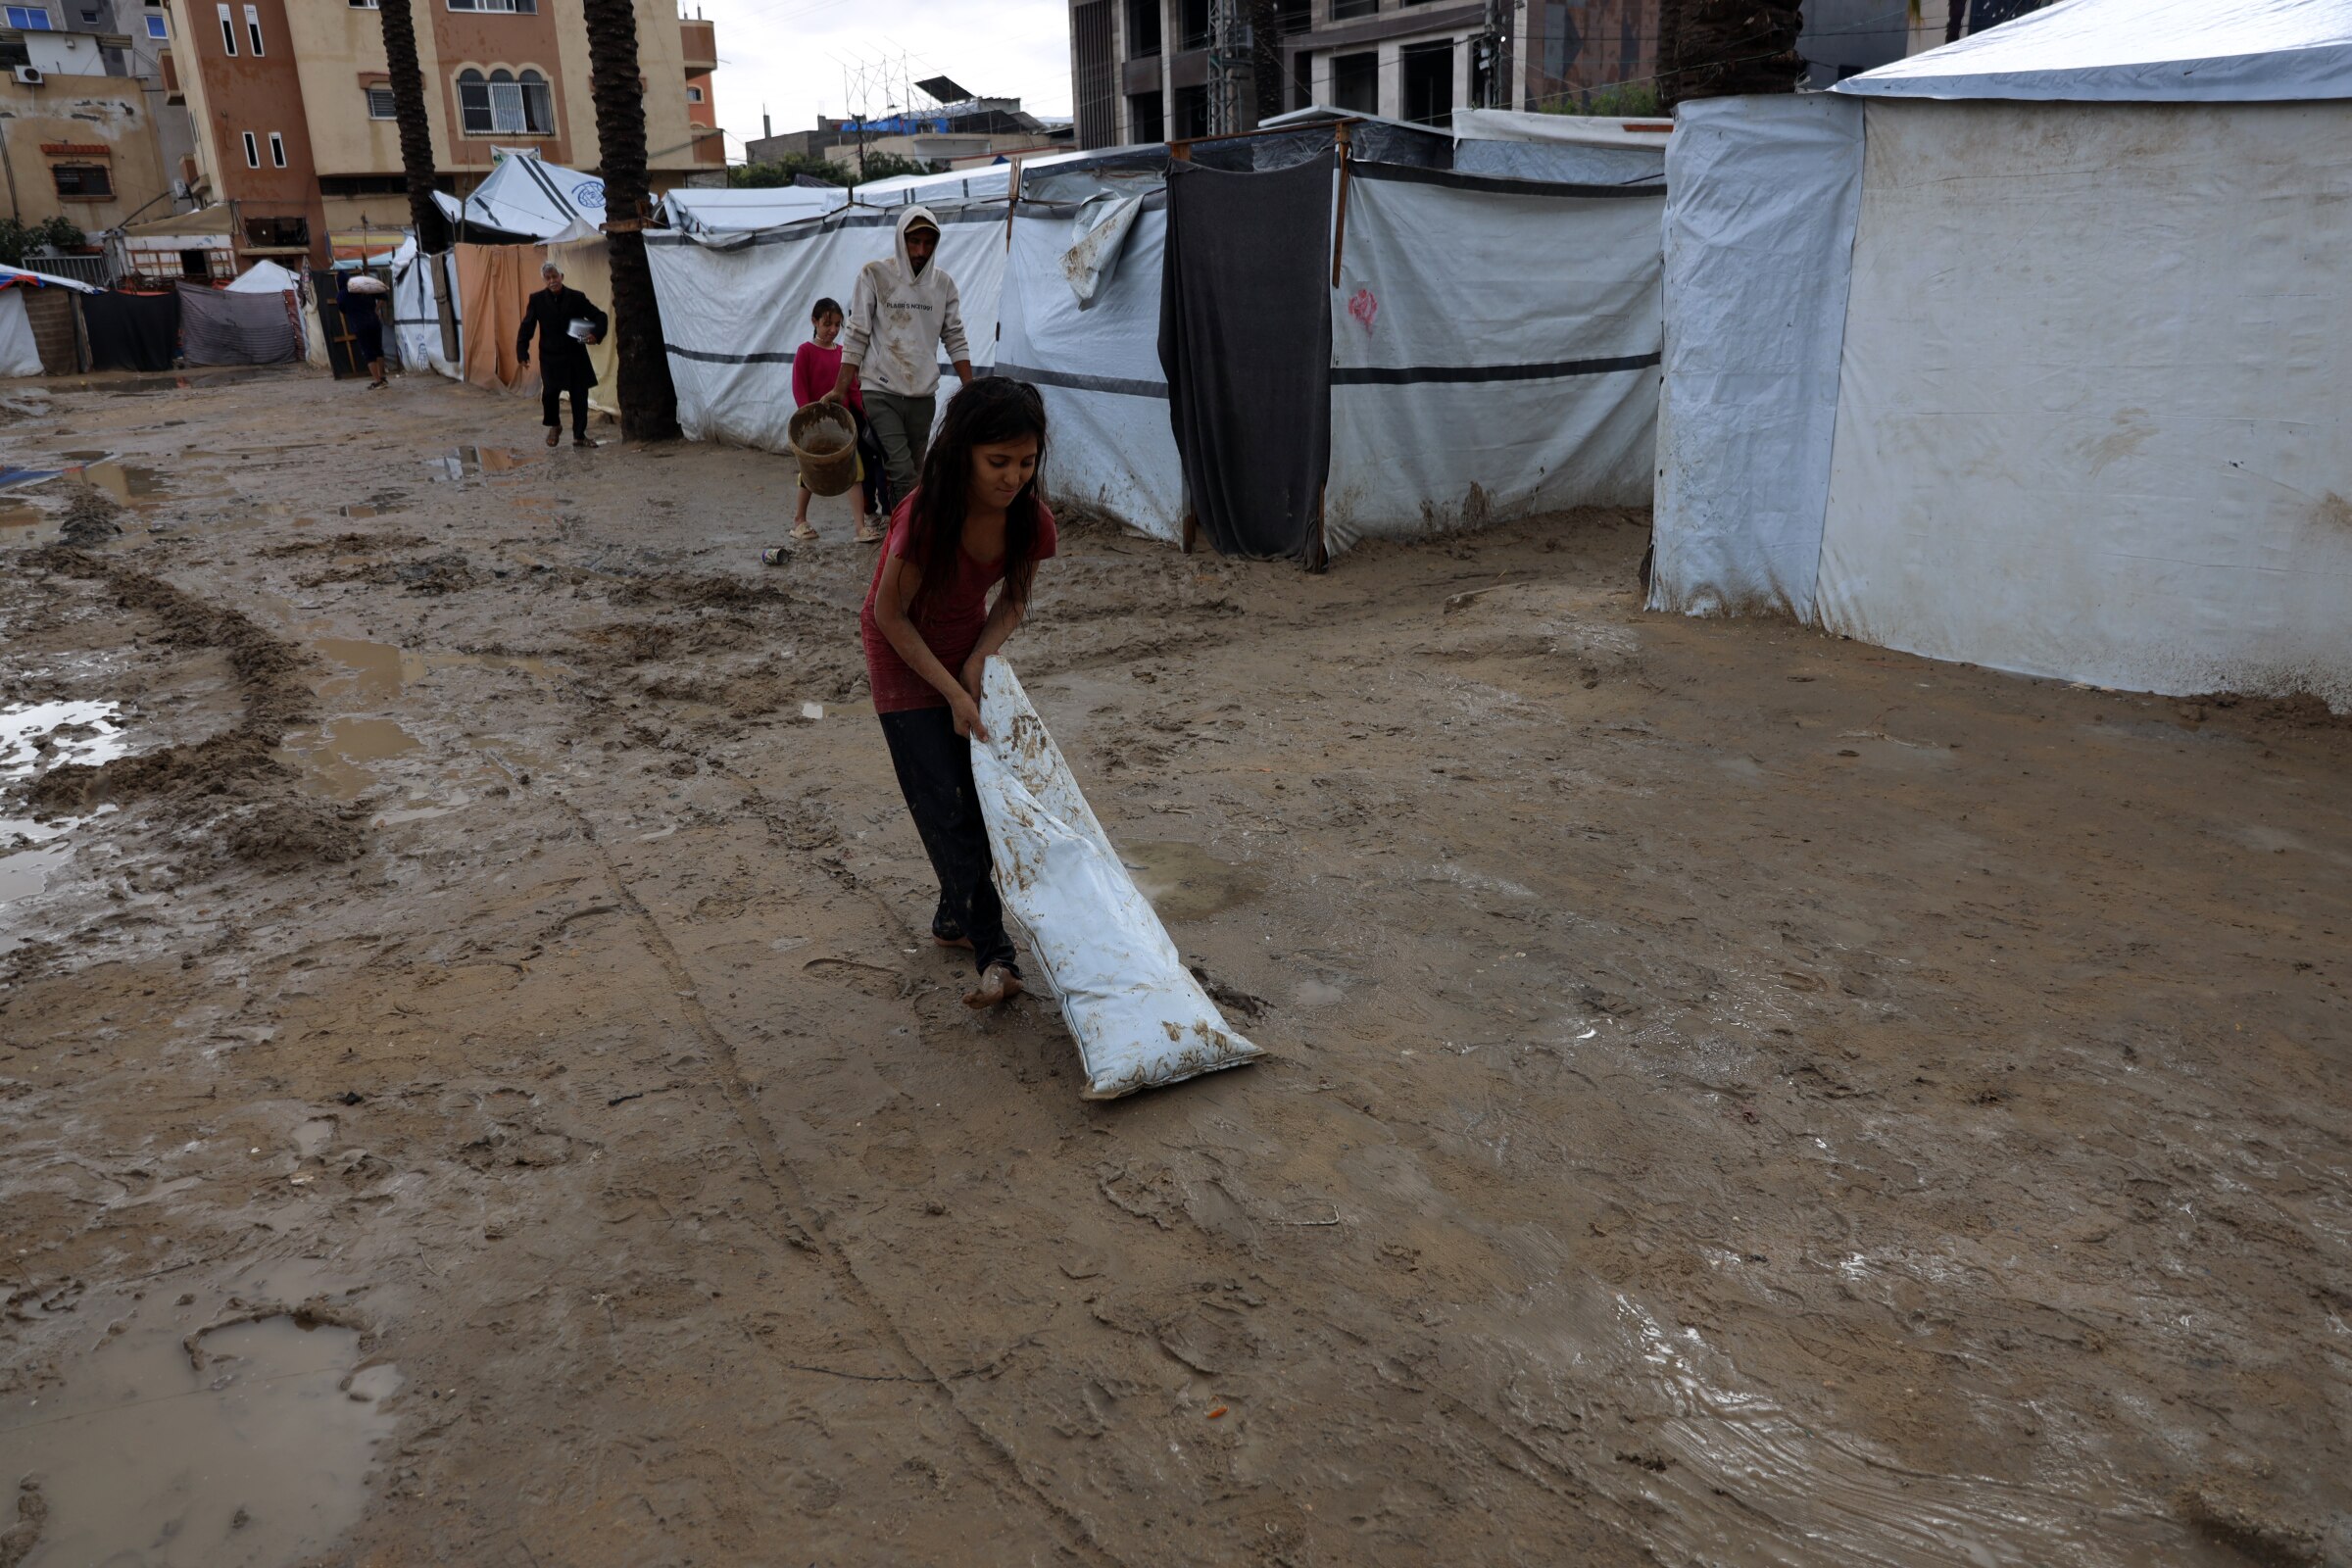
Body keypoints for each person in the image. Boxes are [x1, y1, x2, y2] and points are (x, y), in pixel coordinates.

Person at [859, 378, 1055, 1009]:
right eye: (997, 463)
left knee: (979, 798)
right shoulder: (925, 516)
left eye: (1026, 463)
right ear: (963, 450)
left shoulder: (1028, 517)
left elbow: (1016, 599)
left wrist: (977, 660)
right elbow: (890, 615)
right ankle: (996, 958)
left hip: (962, 647)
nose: (1013, 479)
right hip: (901, 653)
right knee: (946, 803)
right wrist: (951, 692)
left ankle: (954, 918)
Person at [827, 205, 971, 508]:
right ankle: (909, 537)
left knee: (917, 469)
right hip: (880, 389)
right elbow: (857, 332)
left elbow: (954, 336)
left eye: (928, 242)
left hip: (922, 394)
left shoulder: (943, 285)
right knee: (902, 469)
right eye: (914, 241)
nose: (921, 250)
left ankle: (901, 529)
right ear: (901, 240)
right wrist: (841, 388)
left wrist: (972, 389)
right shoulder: (874, 275)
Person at [786, 296, 882, 546]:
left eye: (838, 324)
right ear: (814, 321)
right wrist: (809, 420)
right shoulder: (805, 352)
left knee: (854, 472)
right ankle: (799, 520)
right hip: (814, 427)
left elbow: (852, 389)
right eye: (828, 324)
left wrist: (864, 411)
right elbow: (800, 389)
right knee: (809, 473)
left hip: (843, 426)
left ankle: (860, 527)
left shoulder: (843, 354)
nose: (833, 330)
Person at [516, 261, 608, 449]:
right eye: (548, 278)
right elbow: (527, 326)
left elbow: (599, 316)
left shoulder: (576, 298)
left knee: (579, 395)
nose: (552, 281)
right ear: (544, 280)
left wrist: (596, 334)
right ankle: (554, 425)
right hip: (550, 356)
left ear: (562, 277)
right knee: (549, 394)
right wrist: (522, 350)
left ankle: (579, 436)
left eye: (555, 277)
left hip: (575, 354)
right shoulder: (537, 300)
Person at [336, 270, 387, 389]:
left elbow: (343, 310)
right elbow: (384, 296)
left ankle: (377, 381)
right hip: (374, 322)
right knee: (378, 350)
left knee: (368, 353)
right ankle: (383, 378)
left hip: (360, 325)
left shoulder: (342, 295)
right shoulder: (364, 289)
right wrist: (376, 309)